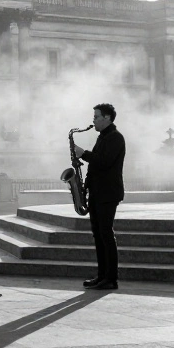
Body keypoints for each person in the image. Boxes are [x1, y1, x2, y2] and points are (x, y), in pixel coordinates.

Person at [71, 103, 126, 290]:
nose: (93, 120)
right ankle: (102, 275)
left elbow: (104, 162)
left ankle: (111, 278)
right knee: (99, 236)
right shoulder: (103, 137)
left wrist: (83, 154)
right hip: (98, 192)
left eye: (96, 117)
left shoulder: (115, 138)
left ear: (107, 118)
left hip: (108, 193)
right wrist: (85, 186)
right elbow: (95, 167)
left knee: (106, 235)